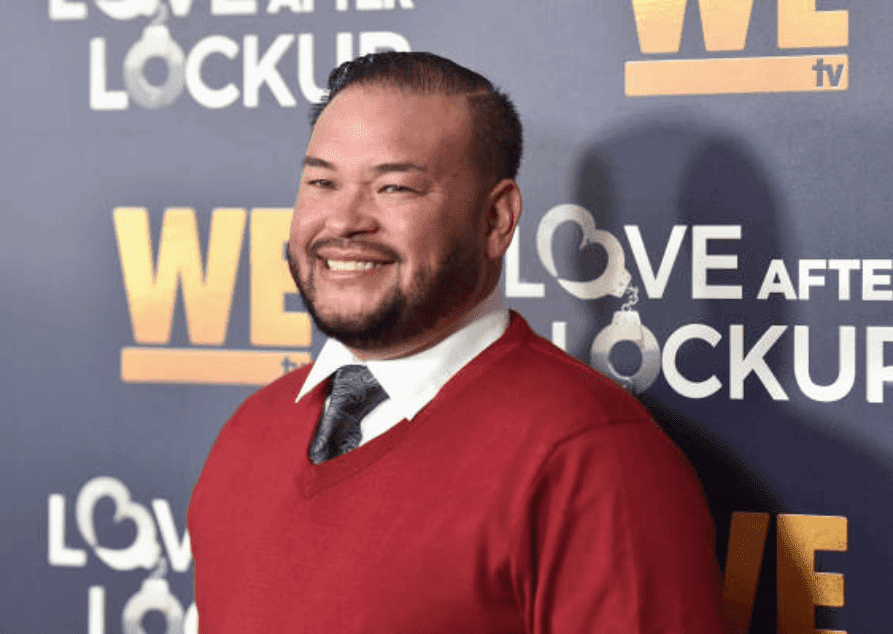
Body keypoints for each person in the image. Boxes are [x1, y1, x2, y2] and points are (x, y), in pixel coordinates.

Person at [188, 51, 726, 633]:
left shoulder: (590, 457)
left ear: (496, 219)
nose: (343, 220)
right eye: (322, 181)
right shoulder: (251, 430)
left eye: (394, 188)